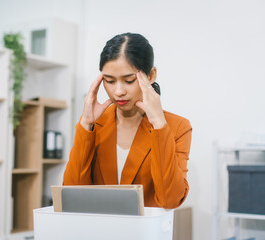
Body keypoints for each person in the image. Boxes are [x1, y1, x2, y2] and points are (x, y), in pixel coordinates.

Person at [63, 33, 192, 209]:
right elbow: (73, 196)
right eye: (109, 81)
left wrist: (159, 125)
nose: (118, 91)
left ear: (151, 75)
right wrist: (85, 124)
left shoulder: (178, 127)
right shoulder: (95, 125)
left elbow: (170, 199)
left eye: (129, 80)